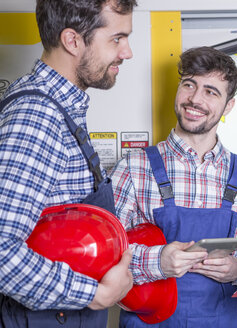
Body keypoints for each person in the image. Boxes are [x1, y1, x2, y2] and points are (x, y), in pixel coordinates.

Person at [0, 0, 137, 327]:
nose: (127, 52)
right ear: (73, 41)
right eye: (116, 39)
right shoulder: (37, 117)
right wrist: (95, 295)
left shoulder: (60, 107)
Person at [110, 46, 237, 327]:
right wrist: (158, 262)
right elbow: (106, 257)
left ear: (228, 105)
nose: (195, 99)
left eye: (211, 91)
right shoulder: (133, 168)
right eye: (189, 85)